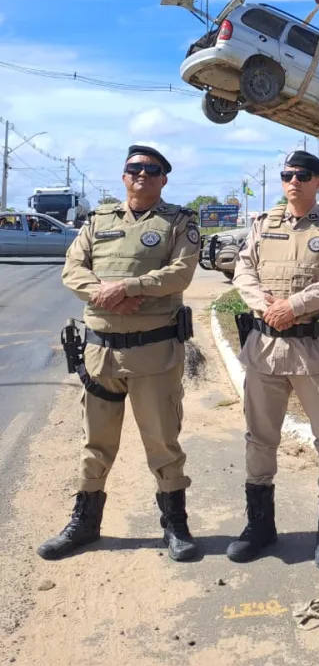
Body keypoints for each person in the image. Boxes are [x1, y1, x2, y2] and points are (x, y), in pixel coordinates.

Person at [38, 145, 202, 562]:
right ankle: (85, 523)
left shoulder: (178, 222)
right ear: (124, 176)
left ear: (164, 178)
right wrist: (103, 294)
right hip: (100, 354)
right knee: (95, 442)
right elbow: (72, 269)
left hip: (155, 354)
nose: (141, 174)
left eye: (151, 169)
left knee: (163, 442)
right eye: (134, 169)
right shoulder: (97, 221)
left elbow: (180, 272)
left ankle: (175, 525)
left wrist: (128, 288)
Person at [228, 151, 319, 571]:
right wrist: (262, 303)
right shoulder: (263, 224)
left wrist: (294, 306)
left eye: (302, 175)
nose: (293, 181)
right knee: (259, 440)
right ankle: (260, 527)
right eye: (287, 175)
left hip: (314, 353)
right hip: (265, 349)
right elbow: (243, 270)